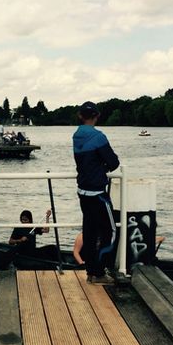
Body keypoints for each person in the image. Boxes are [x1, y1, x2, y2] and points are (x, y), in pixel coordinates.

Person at [73, 100, 120, 283]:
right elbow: (114, 163)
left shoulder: (76, 135)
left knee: (90, 233)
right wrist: (103, 166)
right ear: (97, 116)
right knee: (110, 231)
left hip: (83, 192)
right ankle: (99, 272)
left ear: (80, 116)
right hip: (98, 193)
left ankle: (91, 271)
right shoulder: (98, 137)